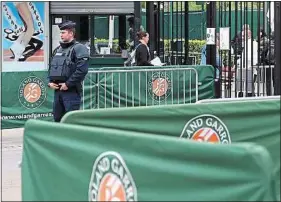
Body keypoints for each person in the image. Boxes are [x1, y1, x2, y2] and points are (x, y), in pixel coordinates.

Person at [48, 20, 89, 122]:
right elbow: (51, 68)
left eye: (63, 32)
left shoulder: (79, 48)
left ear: (71, 33)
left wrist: (68, 84)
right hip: (58, 92)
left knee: (71, 121)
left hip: (71, 92)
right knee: (57, 119)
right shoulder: (57, 49)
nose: (61, 35)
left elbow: (82, 70)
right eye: (60, 33)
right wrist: (49, 82)